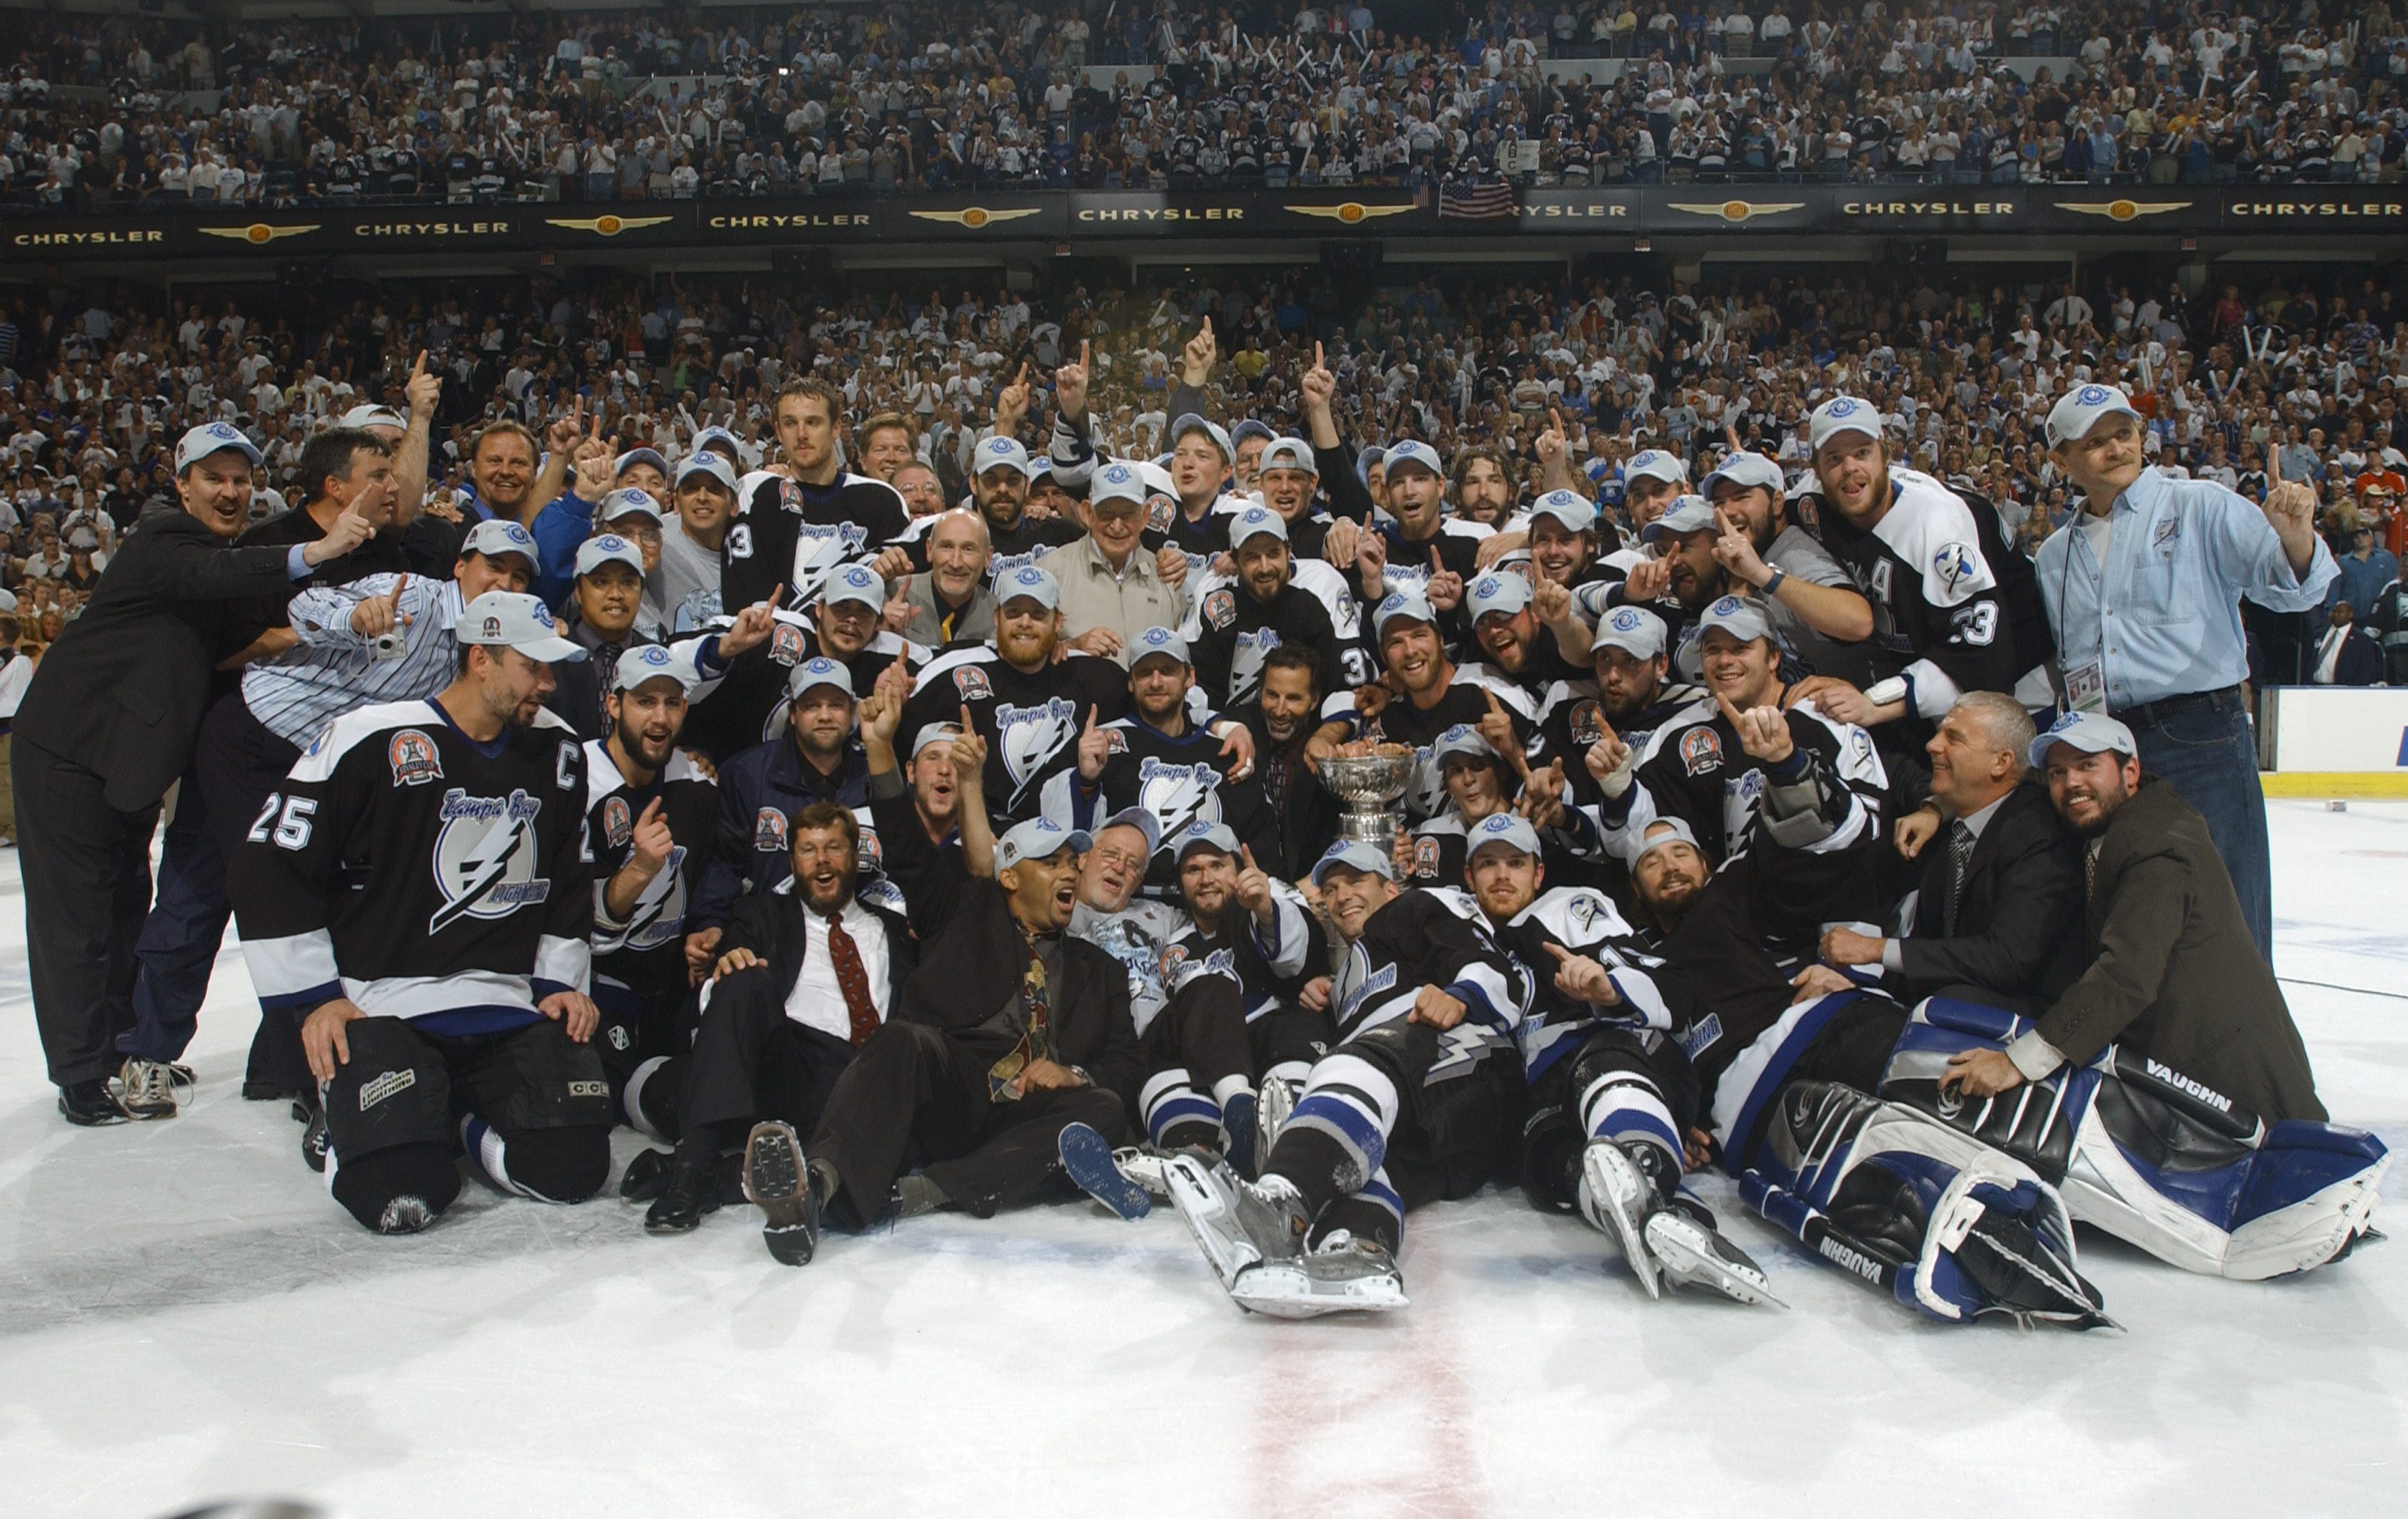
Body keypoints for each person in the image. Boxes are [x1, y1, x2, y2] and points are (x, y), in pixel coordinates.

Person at [1874, 712, 2386, 1282]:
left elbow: (2126, 977)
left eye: (2088, 766)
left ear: (2130, 770)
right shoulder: (2119, 824)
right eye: (2058, 772)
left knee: (2276, 1180)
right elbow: (1996, 790)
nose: (2071, 784)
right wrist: (1934, 806)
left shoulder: (2155, 843)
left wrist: (2016, 1062)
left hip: (2232, 1077)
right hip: (2187, 1060)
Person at [15, 424, 371, 1125]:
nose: (231, 491)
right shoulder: (163, 539)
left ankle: (118, 1050)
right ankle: (81, 1073)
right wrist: (317, 551)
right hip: (70, 752)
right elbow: (214, 576)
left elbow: (241, 627)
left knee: (122, 909)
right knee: (76, 922)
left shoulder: (220, 553)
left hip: (126, 766)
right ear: (182, 486)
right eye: (214, 478)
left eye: (242, 479)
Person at [227, 591, 607, 1235]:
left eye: (552, 668)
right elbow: (270, 862)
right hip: (383, 1004)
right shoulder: (368, 736)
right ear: (480, 658)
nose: (548, 683)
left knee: (573, 1170)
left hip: (506, 1002)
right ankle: (357, 1114)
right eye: (533, 666)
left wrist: (558, 986)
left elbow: (569, 877)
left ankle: (451, 1113)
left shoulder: (560, 750)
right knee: (398, 1194)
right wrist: (316, 997)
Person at [739, 672, 1143, 1264]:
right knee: (903, 1039)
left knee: (1103, 1108)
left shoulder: (1100, 969)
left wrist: (1073, 1072)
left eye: (1070, 863)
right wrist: (879, 748)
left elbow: (1128, 1065)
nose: (1066, 872)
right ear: (1008, 876)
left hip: (1025, 1119)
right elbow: (903, 844)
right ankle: (815, 1187)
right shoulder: (964, 909)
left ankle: (924, 1192)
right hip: (954, 1091)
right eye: (1048, 862)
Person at [2034, 383, 2338, 963]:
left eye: (2122, 434)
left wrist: (2296, 539)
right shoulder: (2055, 554)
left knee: (2226, 912)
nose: (2115, 449)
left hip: (2199, 734)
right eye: (2093, 442)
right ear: (2060, 461)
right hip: (2104, 745)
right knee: (2125, 915)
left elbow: (2292, 590)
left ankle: (2245, 1050)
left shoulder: (2200, 505)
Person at [630, 797, 914, 1236]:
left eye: (834, 848)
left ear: (855, 857)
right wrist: (728, 964)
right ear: (793, 861)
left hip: (866, 1077)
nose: (821, 861)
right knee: (743, 975)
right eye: (808, 850)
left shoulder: (893, 930)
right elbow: (718, 1002)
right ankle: (689, 1172)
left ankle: (713, 1180)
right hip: (791, 1067)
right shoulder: (762, 914)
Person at [1813, 691, 2084, 1013]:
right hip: (1955, 1002)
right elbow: (1939, 955)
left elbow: (2007, 960)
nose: (1932, 745)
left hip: (2028, 1023)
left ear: (2001, 762)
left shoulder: (2037, 831)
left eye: (1953, 738)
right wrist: (1862, 988)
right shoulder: (1954, 828)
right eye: (1939, 732)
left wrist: (1877, 949)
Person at [579, 644, 721, 1132]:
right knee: (597, 1107)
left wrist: (708, 927)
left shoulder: (695, 781)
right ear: (613, 704)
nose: (659, 717)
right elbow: (561, 917)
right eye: (644, 701)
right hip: (595, 985)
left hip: (670, 986)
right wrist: (638, 870)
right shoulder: (576, 780)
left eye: (672, 701)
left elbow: (710, 872)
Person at [722, 377, 913, 611]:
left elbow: (900, 592)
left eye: (813, 422)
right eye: (790, 423)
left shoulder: (881, 501)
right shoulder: (758, 495)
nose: (801, 434)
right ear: (779, 432)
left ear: (835, 428)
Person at [1038, 461, 1186, 662]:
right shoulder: (1049, 572)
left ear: (1144, 517)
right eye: (1107, 513)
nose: (1117, 526)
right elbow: (1022, 656)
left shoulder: (1168, 576)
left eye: (1128, 515)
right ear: (1088, 513)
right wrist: (1071, 647)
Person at [895, 507, 999, 646]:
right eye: (946, 547)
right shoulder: (893, 596)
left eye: (968, 549)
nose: (956, 563)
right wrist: (880, 630)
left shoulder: (1000, 617)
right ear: (929, 549)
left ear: (988, 557)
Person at [2309, 602, 2383, 685]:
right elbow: (2307, 661)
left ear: (2350, 615)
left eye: (2341, 612)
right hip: (2315, 688)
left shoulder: (2362, 640)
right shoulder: (2319, 634)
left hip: (2344, 690)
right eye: (2334, 611)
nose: (2336, 614)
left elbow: (2365, 671)